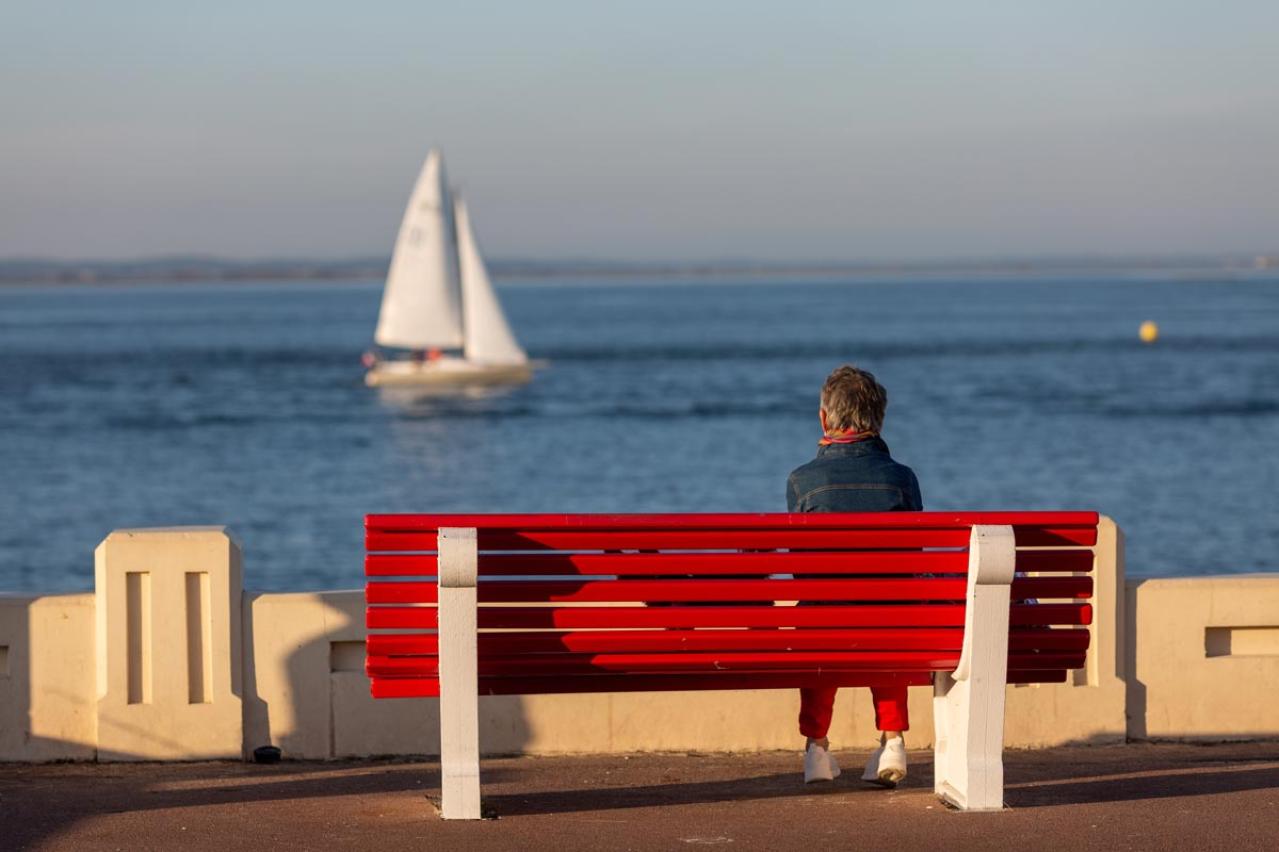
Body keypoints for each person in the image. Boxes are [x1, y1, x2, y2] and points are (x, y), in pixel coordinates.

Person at [786, 365, 922, 787]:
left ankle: (817, 748)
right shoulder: (902, 479)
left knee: (816, 614)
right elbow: (913, 556)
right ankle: (893, 738)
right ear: (878, 419)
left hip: (824, 620)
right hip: (888, 621)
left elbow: (799, 564)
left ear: (825, 419)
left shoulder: (802, 481)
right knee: (891, 614)